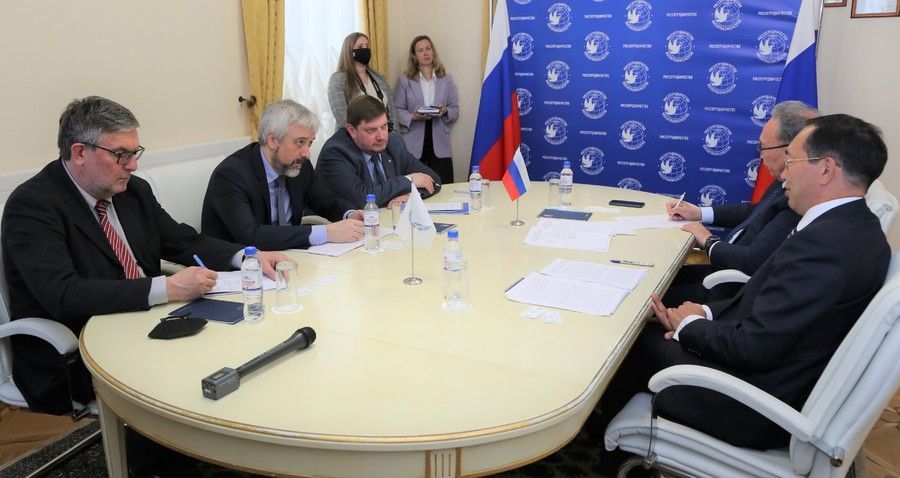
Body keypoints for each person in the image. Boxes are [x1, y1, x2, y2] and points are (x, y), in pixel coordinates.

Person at [593, 113, 890, 456]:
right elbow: (765, 308)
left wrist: (689, 327)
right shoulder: (854, 229)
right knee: (647, 328)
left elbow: (754, 346)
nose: (784, 173)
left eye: (792, 161)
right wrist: (703, 312)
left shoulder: (826, 247)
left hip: (748, 404)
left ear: (825, 169)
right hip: (766, 370)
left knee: (624, 344)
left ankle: (608, 455)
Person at [2, 96, 290, 415]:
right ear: (80, 152)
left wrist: (247, 257)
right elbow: (64, 294)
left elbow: (183, 241)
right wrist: (166, 288)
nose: (133, 165)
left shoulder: (133, 191)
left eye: (135, 153)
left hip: (151, 321)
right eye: (121, 155)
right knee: (193, 380)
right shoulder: (33, 206)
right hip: (80, 349)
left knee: (248, 344)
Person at [664, 101, 818, 304]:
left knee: (649, 294)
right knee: (659, 274)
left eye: (763, 147)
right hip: (721, 268)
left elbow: (752, 261)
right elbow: (756, 212)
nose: (761, 155)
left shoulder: (799, 199)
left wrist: (708, 240)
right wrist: (699, 213)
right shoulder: (785, 179)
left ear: (790, 149)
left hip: (731, 291)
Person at [202, 100, 364, 250]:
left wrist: (350, 214)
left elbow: (324, 200)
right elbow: (250, 236)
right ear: (272, 140)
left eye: (310, 143)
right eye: (300, 142)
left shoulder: (298, 164)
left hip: (290, 257)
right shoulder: (231, 175)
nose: (307, 153)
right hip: (242, 265)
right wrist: (326, 233)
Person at [317, 95, 441, 208]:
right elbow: (363, 199)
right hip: (351, 223)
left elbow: (433, 179)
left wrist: (410, 196)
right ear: (352, 130)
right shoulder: (336, 152)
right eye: (371, 130)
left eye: (384, 126)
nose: (381, 136)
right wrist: (408, 180)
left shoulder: (393, 142)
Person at [392, 35, 459, 185]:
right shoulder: (405, 80)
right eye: (420, 50)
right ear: (415, 56)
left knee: (444, 186)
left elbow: (455, 109)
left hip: (440, 143)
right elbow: (396, 110)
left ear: (433, 51)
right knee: (415, 189)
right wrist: (413, 116)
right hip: (413, 143)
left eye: (428, 48)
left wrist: (445, 111)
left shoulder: (446, 79)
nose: (425, 53)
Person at [327, 32, 397, 133]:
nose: (365, 49)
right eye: (360, 47)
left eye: (367, 46)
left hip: (384, 137)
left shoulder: (379, 78)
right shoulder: (338, 80)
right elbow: (342, 117)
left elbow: (392, 111)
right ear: (350, 52)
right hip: (353, 139)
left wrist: (394, 134)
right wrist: (365, 136)